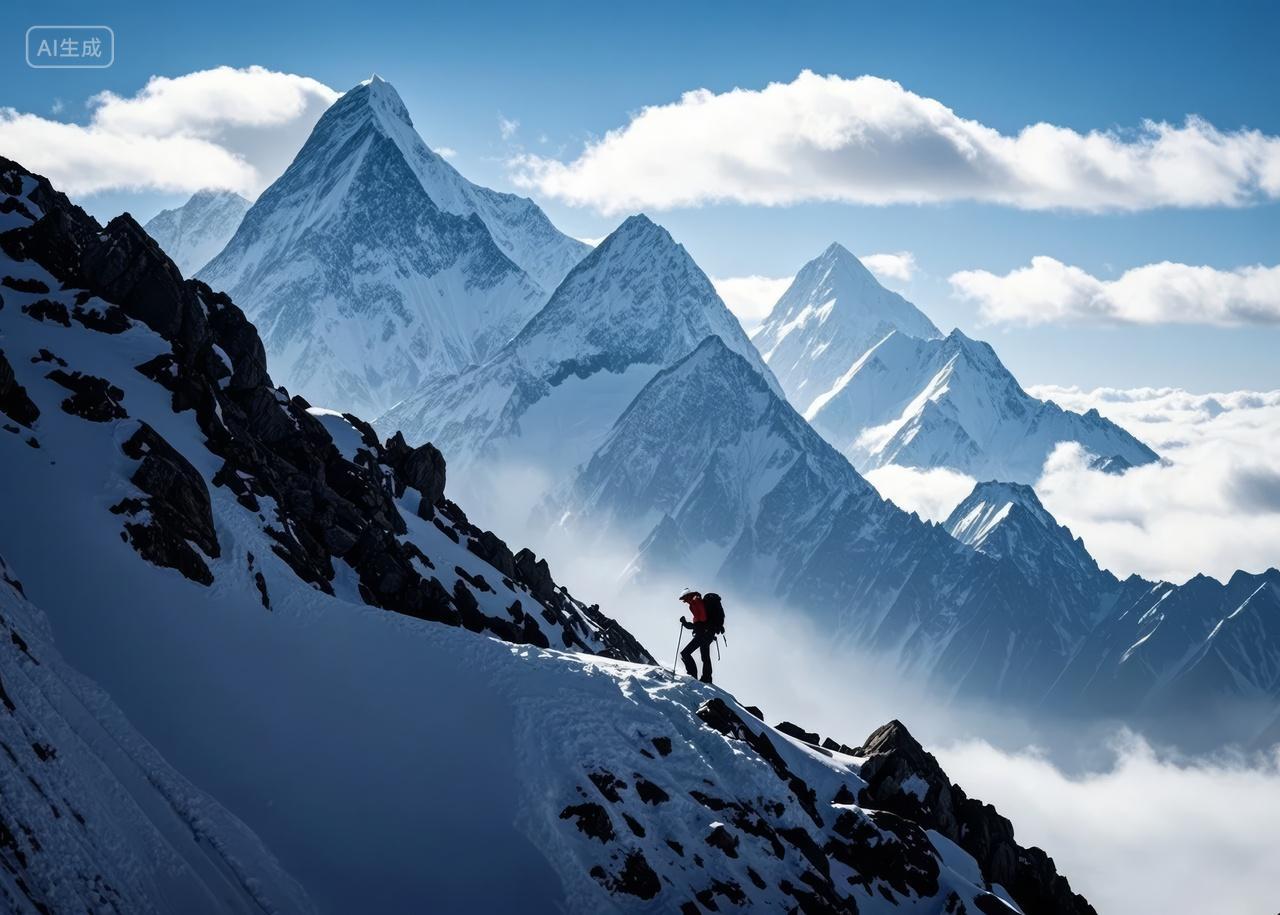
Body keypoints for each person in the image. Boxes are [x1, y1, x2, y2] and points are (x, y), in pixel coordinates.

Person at [678, 587, 715, 684]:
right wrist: (689, 624)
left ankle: (693, 674)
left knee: (685, 653)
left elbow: (701, 619)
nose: (684, 601)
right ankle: (707, 678)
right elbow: (698, 622)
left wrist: (688, 624)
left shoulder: (695, 601)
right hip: (707, 633)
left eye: (684, 599)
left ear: (687, 596)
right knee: (705, 656)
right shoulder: (694, 601)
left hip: (703, 634)